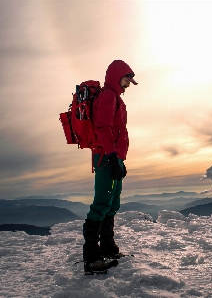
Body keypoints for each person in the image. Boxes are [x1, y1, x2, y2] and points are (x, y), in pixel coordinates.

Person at [82, 60, 138, 274]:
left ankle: (108, 248)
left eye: (130, 81)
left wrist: (119, 158)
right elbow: (102, 128)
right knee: (102, 202)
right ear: (117, 76)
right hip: (106, 156)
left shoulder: (116, 99)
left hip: (115, 156)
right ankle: (92, 258)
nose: (128, 85)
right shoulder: (107, 96)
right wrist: (113, 157)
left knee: (113, 202)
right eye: (126, 79)